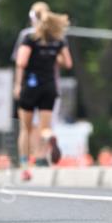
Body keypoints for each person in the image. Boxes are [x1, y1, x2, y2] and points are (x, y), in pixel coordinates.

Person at [14, 10, 72, 180]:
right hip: (50, 87)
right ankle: (47, 144)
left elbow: (21, 61)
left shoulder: (29, 39)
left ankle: (25, 164)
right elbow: (67, 63)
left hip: (31, 86)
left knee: (26, 128)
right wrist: (52, 56)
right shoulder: (58, 41)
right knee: (44, 127)